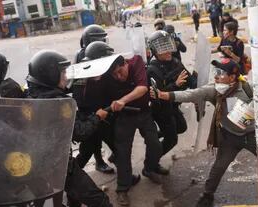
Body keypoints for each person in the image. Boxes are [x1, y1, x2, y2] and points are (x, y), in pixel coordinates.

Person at [150, 59, 255, 207]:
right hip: (229, 138)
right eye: (216, 72)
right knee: (218, 168)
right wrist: (162, 95)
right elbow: (191, 94)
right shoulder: (214, 90)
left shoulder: (247, 88)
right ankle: (207, 197)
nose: (216, 76)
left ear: (232, 77)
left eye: (221, 73)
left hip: (252, 136)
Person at [26, 50, 113, 207]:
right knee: (101, 202)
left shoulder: (30, 96)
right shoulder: (58, 103)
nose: (66, 77)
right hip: (59, 164)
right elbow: (80, 132)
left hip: (35, 166)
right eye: (63, 73)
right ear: (50, 75)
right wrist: (98, 117)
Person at [103, 54, 164, 206]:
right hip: (124, 117)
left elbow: (143, 88)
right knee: (122, 153)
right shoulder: (108, 76)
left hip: (144, 112)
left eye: (120, 71)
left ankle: (149, 169)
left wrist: (122, 100)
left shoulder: (136, 62)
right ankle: (122, 188)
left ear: (125, 64)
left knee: (155, 144)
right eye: (114, 74)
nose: (118, 76)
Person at [73, 24, 113, 173]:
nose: (103, 40)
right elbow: (78, 84)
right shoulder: (82, 57)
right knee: (93, 140)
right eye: (99, 39)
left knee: (111, 135)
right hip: (89, 104)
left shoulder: (101, 51)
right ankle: (99, 161)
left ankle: (119, 162)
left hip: (103, 100)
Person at [147, 30, 194, 157]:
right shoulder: (152, 69)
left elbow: (189, 79)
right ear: (155, 51)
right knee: (171, 140)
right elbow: (158, 95)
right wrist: (176, 85)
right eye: (163, 48)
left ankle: (155, 136)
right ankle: (151, 164)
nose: (168, 51)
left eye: (168, 46)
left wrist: (197, 80)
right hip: (161, 110)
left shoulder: (175, 61)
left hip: (173, 105)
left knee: (181, 127)